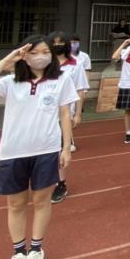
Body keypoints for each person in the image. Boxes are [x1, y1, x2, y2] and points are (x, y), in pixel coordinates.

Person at [0, 35, 78, 259]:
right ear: (24, 55)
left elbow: (64, 114)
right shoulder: (10, 82)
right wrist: (6, 61)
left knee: (41, 200)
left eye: (45, 52)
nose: (41, 56)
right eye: (35, 52)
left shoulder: (60, 80)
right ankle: (19, 251)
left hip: (46, 149)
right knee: (16, 204)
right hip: (13, 151)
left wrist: (66, 147)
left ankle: (36, 248)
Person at [47, 31, 89, 204]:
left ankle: (61, 182)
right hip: (43, 114)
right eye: (53, 43)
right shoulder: (44, 63)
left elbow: (80, 89)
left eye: (60, 43)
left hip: (65, 113)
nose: (57, 46)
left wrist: (78, 113)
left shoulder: (75, 64)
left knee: (61, 150)